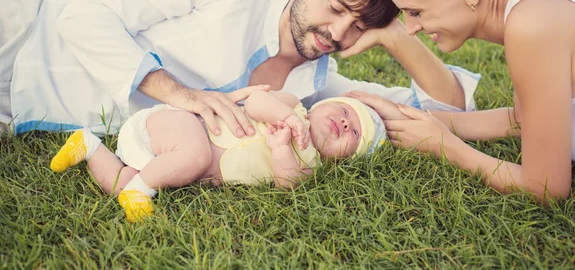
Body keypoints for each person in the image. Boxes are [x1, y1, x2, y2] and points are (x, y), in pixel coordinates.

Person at [0, 0, 479, 138]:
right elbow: (82, 17)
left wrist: (394, 34)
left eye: (358, 26)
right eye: (335, 8)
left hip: (18, 107)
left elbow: (444, 106)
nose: (336, 33)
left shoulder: (311, 90)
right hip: (23, 29)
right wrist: (179, 94)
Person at [359, 0, 575, 203]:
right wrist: (416, 120)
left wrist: (445, 145)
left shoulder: (532, 24)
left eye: (416, 11)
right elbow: (522, 120)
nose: (410, 28)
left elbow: (546, 187)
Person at [50, 90, 387, 222]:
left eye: (354, 132)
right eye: (345, 110)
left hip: (170, 164)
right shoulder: (293, 104)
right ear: (326, 104)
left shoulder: (308, 164)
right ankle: (141, 191)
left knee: (119, 185)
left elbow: (288, 185)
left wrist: (282, 148)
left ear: (346, 158)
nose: (344, 121)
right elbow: (254, 102)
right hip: (178, 127)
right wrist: (286, 118)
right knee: (196, 155)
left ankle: (88, 146)